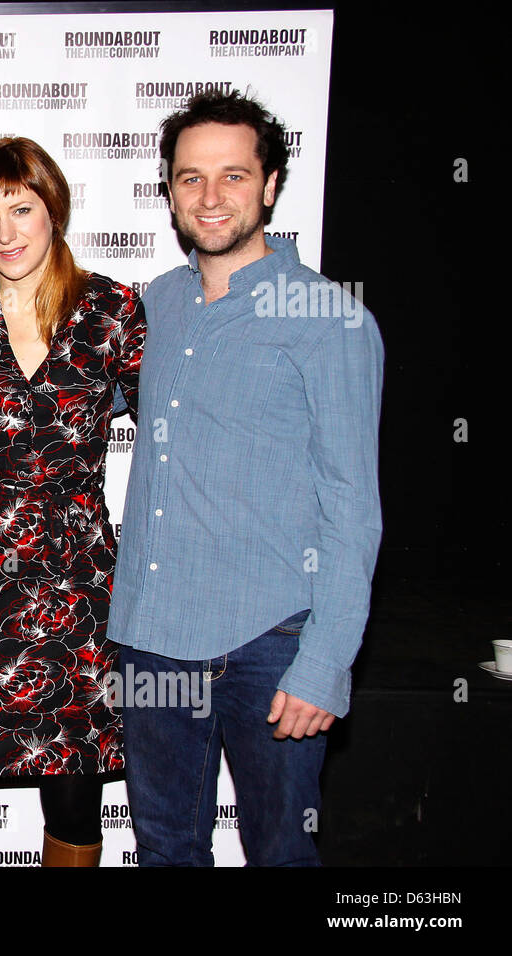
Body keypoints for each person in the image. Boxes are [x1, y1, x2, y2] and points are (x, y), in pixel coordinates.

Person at [108, 90, 383, 866]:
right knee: (164, 849)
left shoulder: (329, 318)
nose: (210, 196)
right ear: (168, 191)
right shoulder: (155, 304)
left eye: (233, 175)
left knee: (282, 856)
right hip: (153, 641)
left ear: (269, 186)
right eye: (189, 178)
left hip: (270, 643)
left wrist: (326, 663)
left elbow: (353, 509)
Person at [0, 137, 144, 867]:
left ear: (53, 211)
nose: (5, 233)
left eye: (22, 209)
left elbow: (177, 429)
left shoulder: (112, 310)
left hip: (78, 585)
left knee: (74, 802)